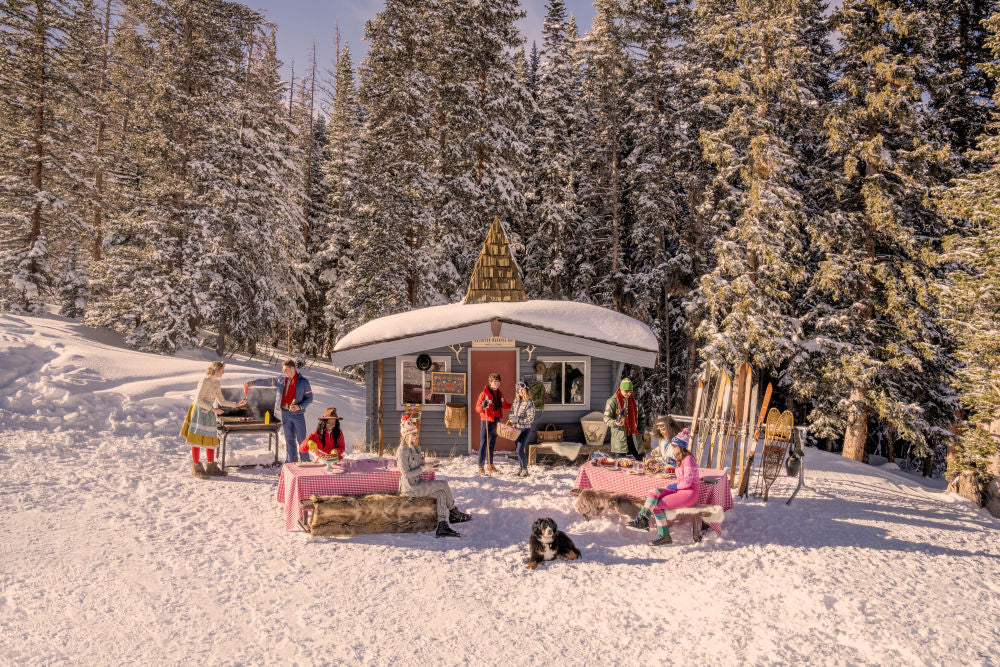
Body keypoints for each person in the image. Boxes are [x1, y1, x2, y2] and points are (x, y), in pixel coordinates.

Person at [396, 414, 471, 538]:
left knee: (441, 494)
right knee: (443, 484)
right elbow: (406, 474)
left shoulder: (414, 448)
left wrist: (428, 465)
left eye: (416, 433)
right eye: (414, 434)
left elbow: (418, 467)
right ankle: (454, 512)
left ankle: (442, 526)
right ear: (407, 435)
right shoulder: (402, 451)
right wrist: (423, 468)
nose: (416, 435)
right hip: (410, 488)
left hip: (418, 483)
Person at [628, 428, 699, 545]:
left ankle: (663, 535)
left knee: (657, 504)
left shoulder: (688, 460)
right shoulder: (680, 459)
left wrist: (673, 486)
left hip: (689, 493)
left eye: (674, 446)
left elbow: (687, 483)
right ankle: (643, 519)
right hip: (681, 490)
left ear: (681, 447)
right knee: (654, 492)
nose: (673, 448)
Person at [180, 361, 246, 479]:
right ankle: (196, 468)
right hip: (200, 412)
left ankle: (211, 467)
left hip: (210, 412)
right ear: (215, 370)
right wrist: (213, 409)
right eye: (222, 371)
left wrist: (237, 405)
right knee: (197, 439)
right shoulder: (205, 381)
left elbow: (222, 401)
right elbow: (198, 400)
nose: (223, 373)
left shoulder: (216, 383)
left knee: (211, 439)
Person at [245, 359, 314, 464]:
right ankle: (290, 463)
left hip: (298, 415)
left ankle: (305, 462)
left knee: (302, 440)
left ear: (292, 369)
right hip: (285, 414)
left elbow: (309, 398)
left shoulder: (303, 382)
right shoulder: (281, 379)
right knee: (289, 439)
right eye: (283, 370)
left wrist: (300, 406)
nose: (283, 372)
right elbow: (267, 381)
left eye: (285, 370)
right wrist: (252, 383)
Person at [475, 372, 510, 476]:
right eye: (495, 382)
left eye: (499, 382)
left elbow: (505, 405)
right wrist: (482, 406)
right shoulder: (484, 394)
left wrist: (515, 405)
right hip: (486, 420)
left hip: (496, 420)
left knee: (492, 443)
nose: (497, 384)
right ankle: (480, 466)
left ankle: (490, 465)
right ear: (490, 382)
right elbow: (477, 408)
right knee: (483, 443)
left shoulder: (500, 393)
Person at [604, 378, 647, 460]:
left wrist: (641, 432)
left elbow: (642, 417)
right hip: (620, 436)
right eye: (626, 391)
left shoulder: (635, 402)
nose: (628, 393)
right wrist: (614, 423)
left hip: (634, 436)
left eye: (630, 391)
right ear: (621, 389)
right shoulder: (612, 401)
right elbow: (606, 418)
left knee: (643, 460)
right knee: (621, 463)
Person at [508, 381, 536, 477]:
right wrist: (512, 418)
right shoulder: (516, 401)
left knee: (520, 449)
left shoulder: (529, 402)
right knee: (518, 449)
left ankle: (525, 469)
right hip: (516, 429)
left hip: (524, 429)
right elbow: (511, 411)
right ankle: (521, 468)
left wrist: (518, 419)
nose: (520, 391)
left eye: (522, 389)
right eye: (519, 389)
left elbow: (530, 418)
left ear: (526, 390)